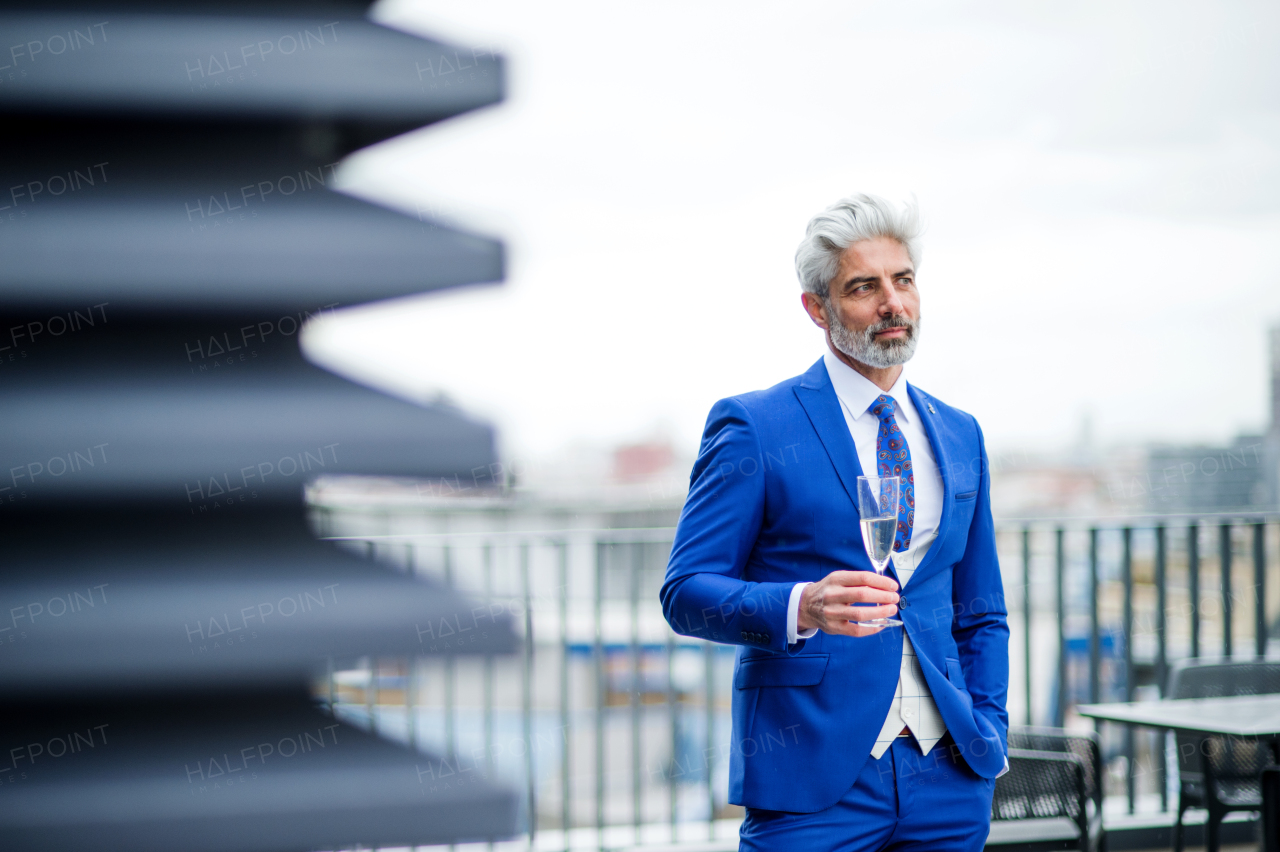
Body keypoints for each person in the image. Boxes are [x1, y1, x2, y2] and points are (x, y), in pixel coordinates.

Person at [660, 194, 1009, 852]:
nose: (892, 304)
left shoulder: (960, 435)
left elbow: (981, 609)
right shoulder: (754, 427)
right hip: (811, 779)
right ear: (816, 308)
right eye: (863, 287)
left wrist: (987, 727)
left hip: (949, 777)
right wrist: (805, 604)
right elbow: (685, 594)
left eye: (903, 280)